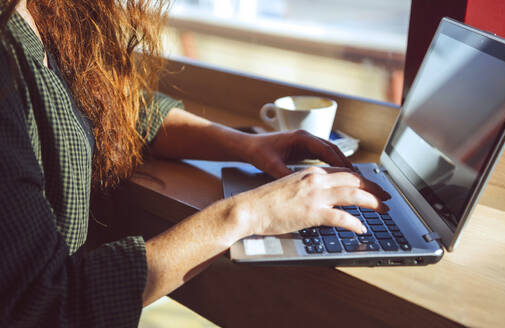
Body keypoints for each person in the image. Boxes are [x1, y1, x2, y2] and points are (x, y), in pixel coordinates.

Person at [0, 0, 389, 327]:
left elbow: (115, 108)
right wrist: (249, 214)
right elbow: (45, 307)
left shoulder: (42, 12)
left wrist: (246, 144)